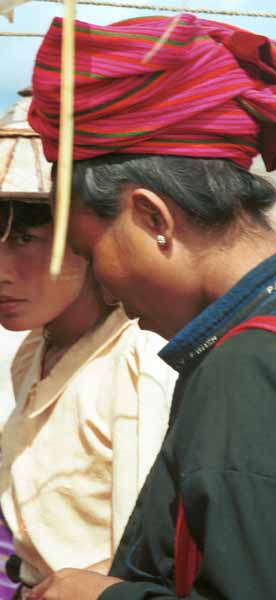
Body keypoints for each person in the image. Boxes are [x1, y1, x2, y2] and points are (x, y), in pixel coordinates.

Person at [26, 13, 276, 600]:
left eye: (88, 249)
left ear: (153, 218)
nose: (101, 283)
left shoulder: (251, 365)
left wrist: (101, 598)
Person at [0, 199, 176, 596]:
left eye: (24, 239)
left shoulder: (138, 360)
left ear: (84, 240)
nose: (2, 270)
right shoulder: (32, 353)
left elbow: (144, 553)